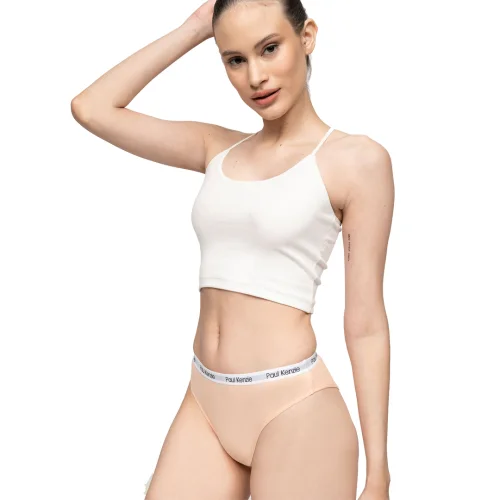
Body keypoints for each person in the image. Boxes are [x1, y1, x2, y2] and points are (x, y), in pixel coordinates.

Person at [71, 0, 394, 498]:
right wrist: (194, 29)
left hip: (295, 408)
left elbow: (366, 322)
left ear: (307, 37)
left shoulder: (356, 160)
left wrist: (378, 474)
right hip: (205, 400)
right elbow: (91, 108)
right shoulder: (217, 149)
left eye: (270, 49)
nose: (255, 77)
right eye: (235, 60)